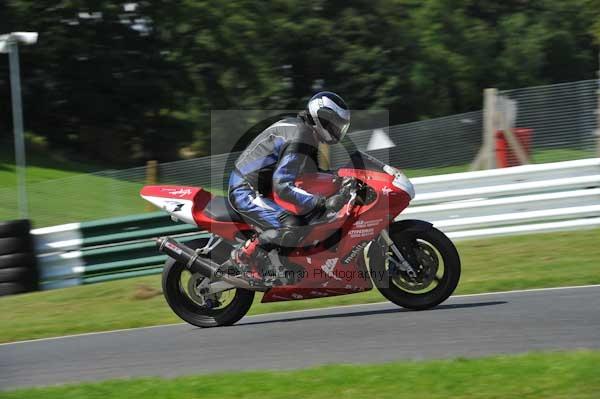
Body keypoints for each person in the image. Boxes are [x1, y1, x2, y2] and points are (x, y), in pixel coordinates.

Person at [226, 91, 351, 280]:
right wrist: (322, 203)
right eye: (334, 124)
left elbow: (311, 174)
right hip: (245, 189)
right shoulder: (301, 135)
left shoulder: (306, 133)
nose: (336, 130)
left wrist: (343, 178)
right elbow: (282, 185)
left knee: (310, 216)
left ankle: (286, 263)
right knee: (292, 225)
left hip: (260, 188)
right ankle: (243, 258)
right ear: (322, 118)